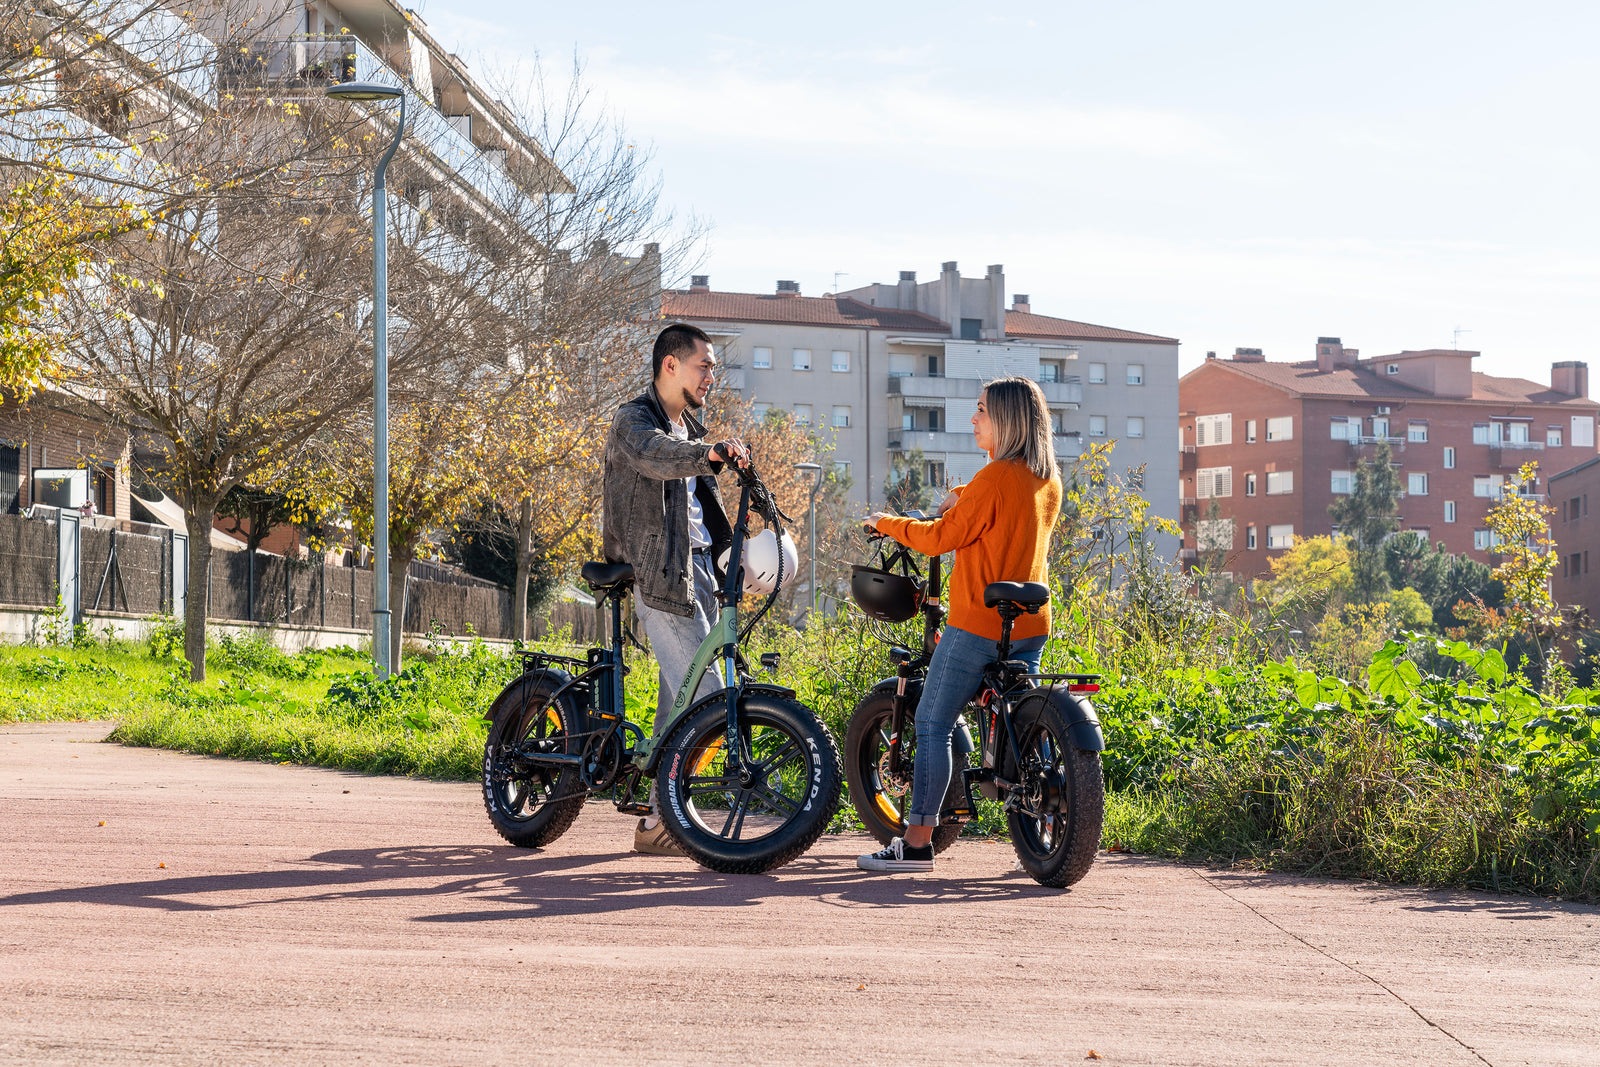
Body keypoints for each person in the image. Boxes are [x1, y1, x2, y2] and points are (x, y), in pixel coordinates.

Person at [856, 376, 1062, 873]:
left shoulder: (994, 479)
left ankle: (918, 840)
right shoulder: (1046, 481)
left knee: (933, 721)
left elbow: (940, 538)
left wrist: (885, 522)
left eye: (982, 411)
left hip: (977, 624)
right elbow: (995, 503)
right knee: (1019, 715)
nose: (974, 418)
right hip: (1030, 623)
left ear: (1007, 420)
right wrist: (962, 493)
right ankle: (1044, 819)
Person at [602, 323, 748, 855]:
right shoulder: (634, 420)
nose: (712, 376)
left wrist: (737, 550)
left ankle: (652, 810)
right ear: (670, 365)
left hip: (700, 571)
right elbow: (654, 457)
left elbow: (706, 509)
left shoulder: (689, 428)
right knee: (709, 696)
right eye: (703, 366)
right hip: (657, 572)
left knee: (677, 702)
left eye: (712, 367)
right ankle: (666, 818)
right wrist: (707, 453)